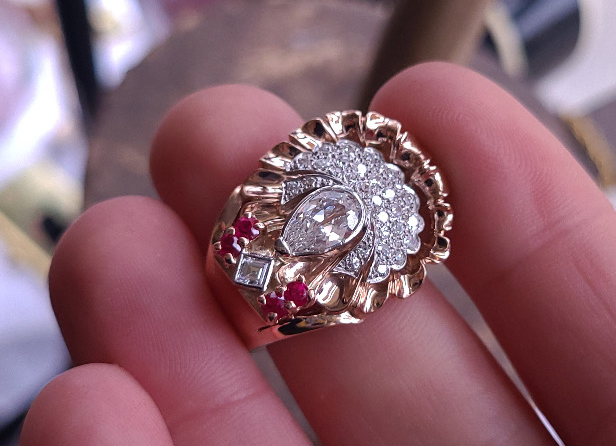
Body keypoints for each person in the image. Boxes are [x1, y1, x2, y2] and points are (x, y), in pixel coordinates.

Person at [19, 63, 616, 445]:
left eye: (342, 223)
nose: (324, 221)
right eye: (324, 205)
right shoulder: (250, 231)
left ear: (356, 246)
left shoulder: (312, 292)